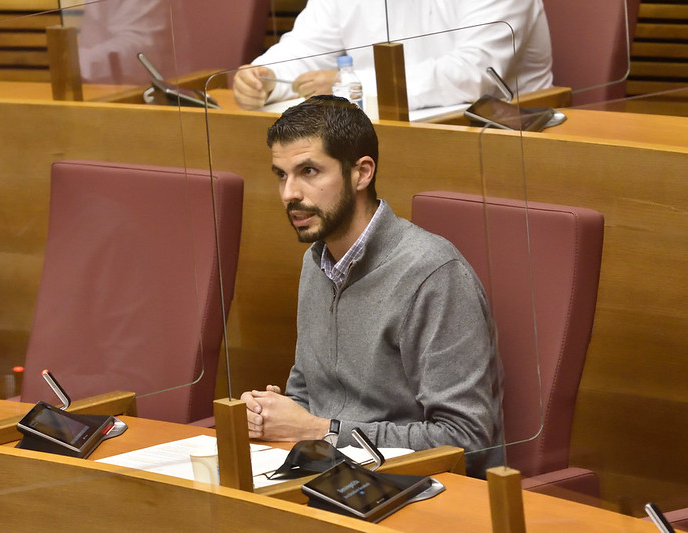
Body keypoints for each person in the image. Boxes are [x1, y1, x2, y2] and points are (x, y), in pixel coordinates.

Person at [241, 95, 503, 477]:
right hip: (329, 478)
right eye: (281, 174)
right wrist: (270, 415)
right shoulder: (316, 262)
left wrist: (322, 431)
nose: (288, 194)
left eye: (309, 171)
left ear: (361, 173)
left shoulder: (433, 273)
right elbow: (307, 394)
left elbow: (467, 439)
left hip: (414, 492)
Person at [233, 0, 553, 111]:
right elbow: (308, 47)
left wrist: (352, 87)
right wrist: (266, 77)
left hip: (502, 143)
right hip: (377, 139)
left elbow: (471, 75)